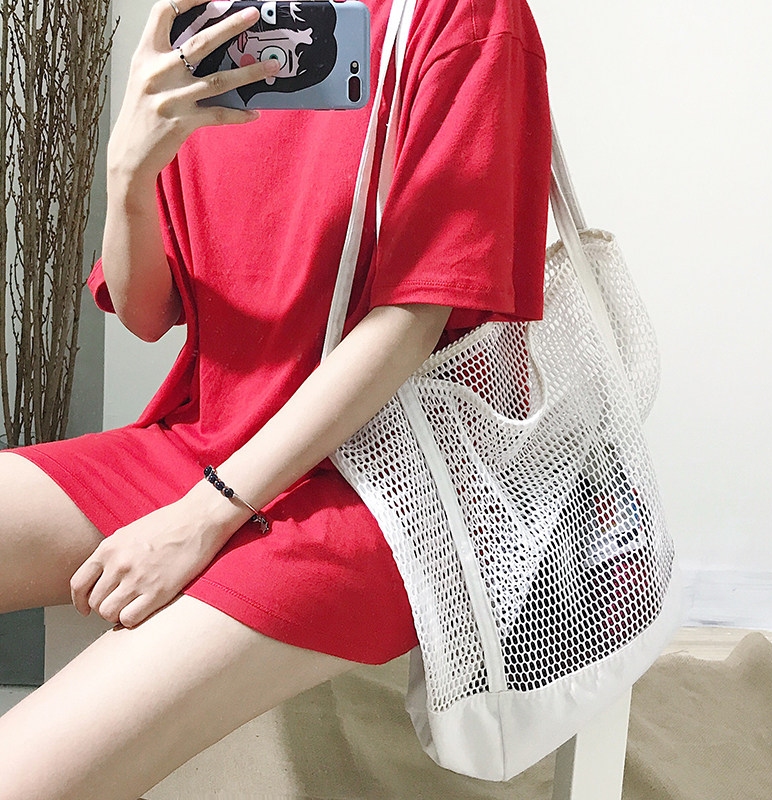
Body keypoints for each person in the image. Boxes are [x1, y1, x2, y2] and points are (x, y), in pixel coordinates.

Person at [0, 0, 551, 796]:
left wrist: (202, 518)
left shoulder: (459, 14)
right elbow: (148, 311)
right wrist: (129, 168)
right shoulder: (212, 20)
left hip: (384, 495)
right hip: (200, 441)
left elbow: (412, 320)